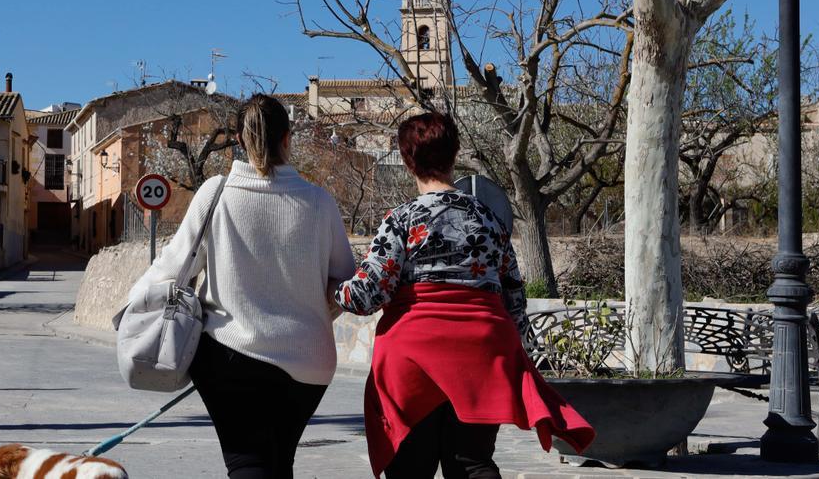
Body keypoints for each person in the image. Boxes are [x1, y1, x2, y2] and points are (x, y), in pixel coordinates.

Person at [334, 112, 594, 478]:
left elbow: (365, 295)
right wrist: (516, 353)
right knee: (471, 461)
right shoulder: (489, 219)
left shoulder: (402, 220)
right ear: (454, 154)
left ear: (408, 161)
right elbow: (513, 295)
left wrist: (332, 287)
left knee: (410, 467)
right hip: (481, 353)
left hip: (413, 357)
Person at [130, 94, 356, 478]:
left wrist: (132, 310)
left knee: (248, 463)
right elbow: (345, 281)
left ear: (238, 137)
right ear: (288, 139)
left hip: (230, 356)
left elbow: (172, 268)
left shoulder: (216, 193)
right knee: (279, 461)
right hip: (309, 362)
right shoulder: (319, 202)